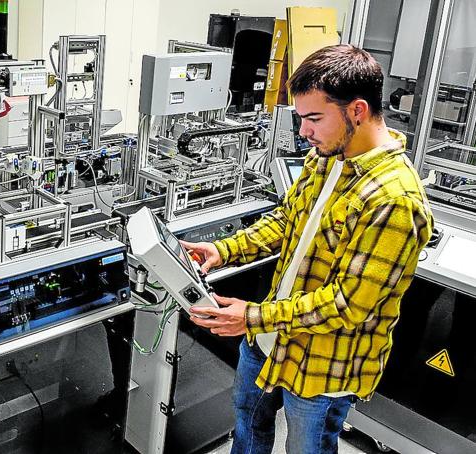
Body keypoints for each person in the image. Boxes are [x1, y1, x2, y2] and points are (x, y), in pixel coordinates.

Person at [182, 44, 433, 454]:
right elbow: (287, 221)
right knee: (248, 428)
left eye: (314, 118)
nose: (304, 132)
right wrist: (223, 250)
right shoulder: (325, 157)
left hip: (323, 365)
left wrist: (253, 316)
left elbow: (349, 305)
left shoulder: (394, 199)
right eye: (302, 118)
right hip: (268, 342)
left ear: (357, 110)